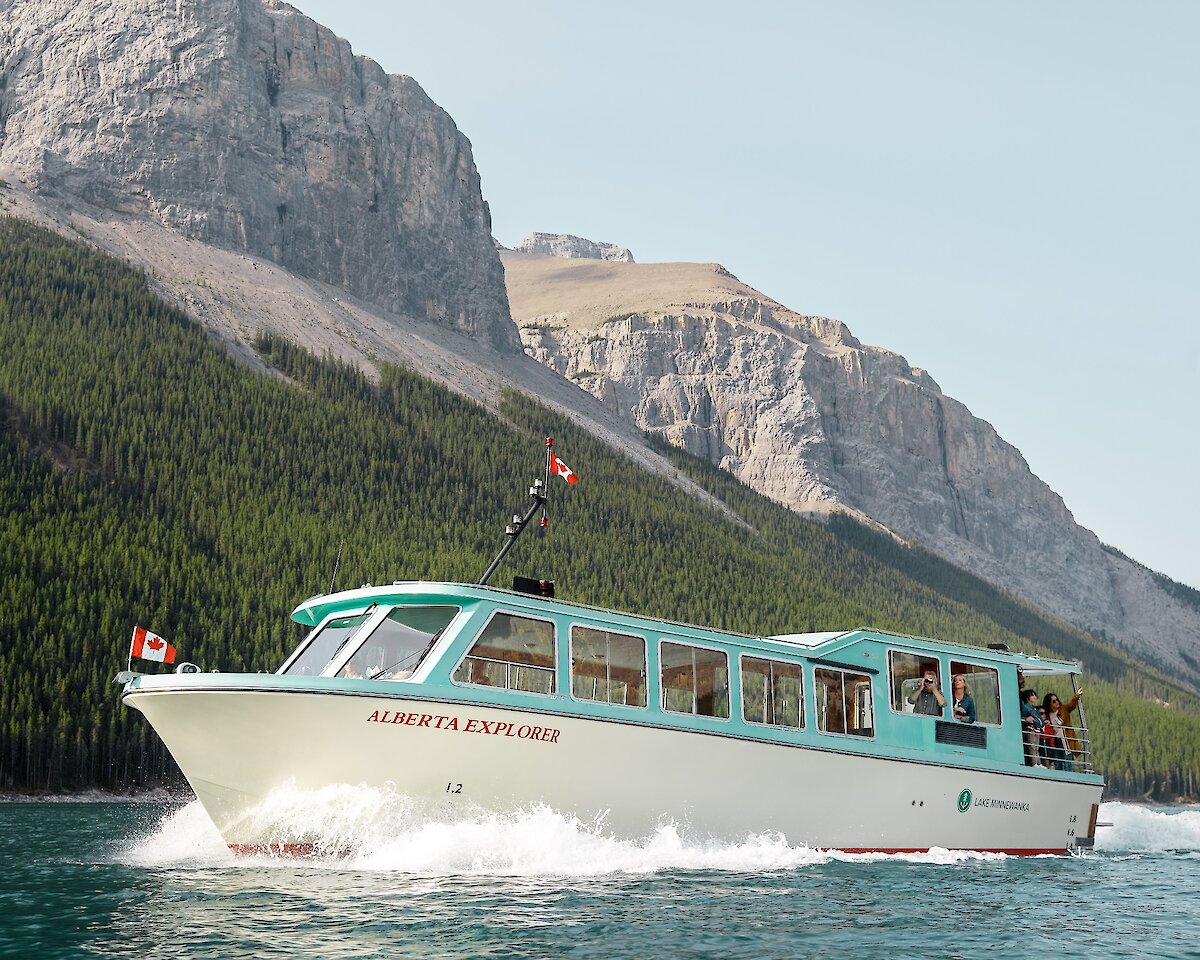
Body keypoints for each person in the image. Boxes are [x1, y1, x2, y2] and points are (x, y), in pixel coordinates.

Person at [1043, 689, 1083, 771]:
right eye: (1054, 701)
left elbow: (1071, 705)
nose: (1057, 702)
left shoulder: (1063, 709)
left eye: (1057, 699)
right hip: (1055, 740)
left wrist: (1076, 696)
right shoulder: (1048, 714)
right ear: (1049, 704)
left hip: (1066, 740)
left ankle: (1069, 777)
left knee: (1067, 761)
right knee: (1057, 761)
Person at [1019, 688, 1041, 765]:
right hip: (1030, 729)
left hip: (1036, 729)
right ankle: (1034, 763)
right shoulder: (1025, 707)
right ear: (1027, 698)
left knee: (1036, 747)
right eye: (1032, 695)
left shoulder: (1033, 708)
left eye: (1034, 695)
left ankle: (1038, 763)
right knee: (1032, 746)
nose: (1034, 697)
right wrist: (1026, 719)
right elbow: (1021, 716)